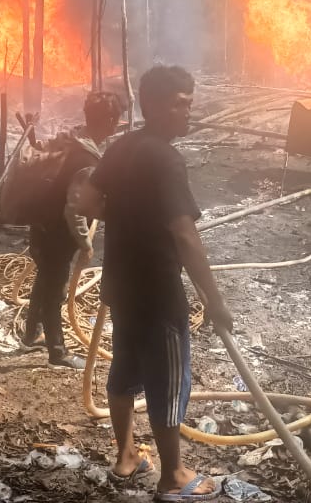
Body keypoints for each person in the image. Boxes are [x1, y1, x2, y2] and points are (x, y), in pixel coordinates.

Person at [92, 65, 232, 503]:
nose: (187, 112)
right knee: (168, 381)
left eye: (189, 103)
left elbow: (90, 198)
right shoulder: (167, 158)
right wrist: (214, 298)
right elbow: (185, 235)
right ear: (152, 104)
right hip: (157, 292)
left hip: (121, 286)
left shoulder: (121, 148)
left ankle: (126, 456)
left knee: (124, 371)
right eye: (179, 103)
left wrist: (127, 221)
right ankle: (172, 476)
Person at [20, 91, 124, 369]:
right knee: (54, 290)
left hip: (41, 225)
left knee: (44, 282)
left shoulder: (71, 139)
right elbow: (74, 209)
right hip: (57, 234)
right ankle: (58, 351)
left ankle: (31, 334)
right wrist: (85, 244)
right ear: (111, 121)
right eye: (117, 121)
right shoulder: (87, 160)